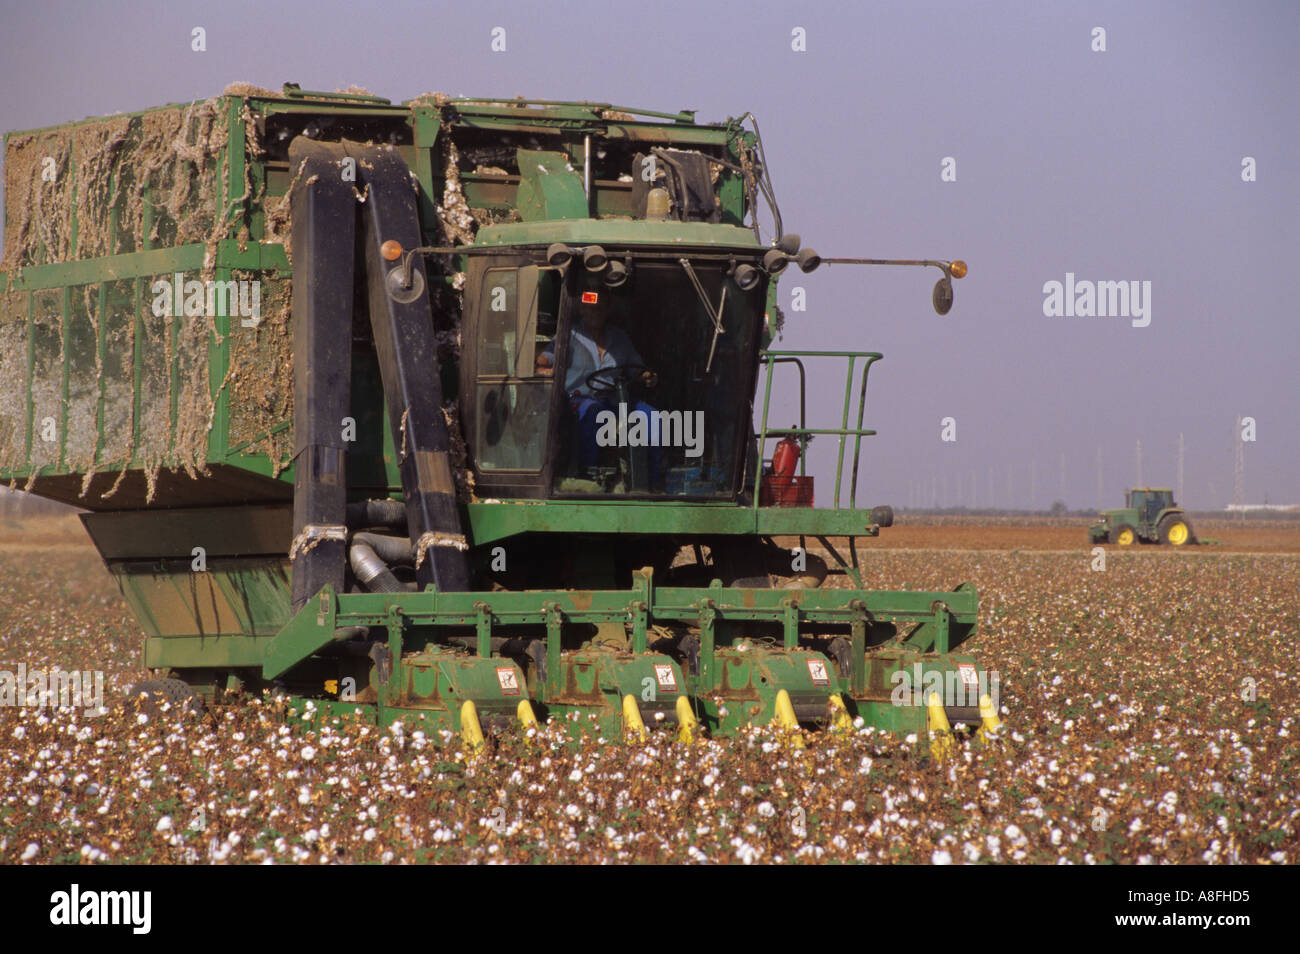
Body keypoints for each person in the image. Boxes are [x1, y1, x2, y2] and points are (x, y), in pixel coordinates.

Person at [535, 288, 660, 483]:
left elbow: (637, 369)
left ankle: (650, 480)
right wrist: (542, 369)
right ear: (582, 310)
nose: (595, 313)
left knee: (651, 416)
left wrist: (647, 376)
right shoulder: (569, 335)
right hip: (579, 399)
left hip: (614, 399)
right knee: (594, 412)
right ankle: (587, 477)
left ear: (608, 310)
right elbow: (543, 360)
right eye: (590, 308)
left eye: (600, 308)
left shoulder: (620, 338)